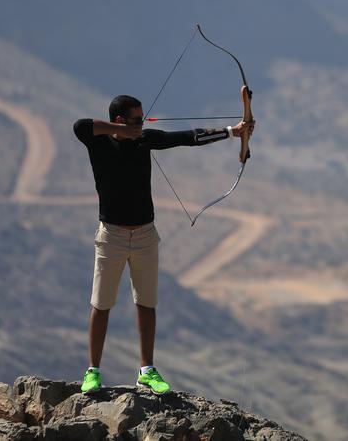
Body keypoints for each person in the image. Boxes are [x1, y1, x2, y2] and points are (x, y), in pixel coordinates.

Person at [72, 94, 254, 394]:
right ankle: (93, 371)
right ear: (119, 121)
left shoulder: (146, 140)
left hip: (145, 234)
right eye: (136, 119)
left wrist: (234, 132)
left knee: (146, 303)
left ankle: (147, 370)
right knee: (101, 304)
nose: (141, 124)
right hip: (112, 235)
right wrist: (120, 132)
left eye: (142, 119)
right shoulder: (100, 142)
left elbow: (186, 138)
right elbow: (80, 126)